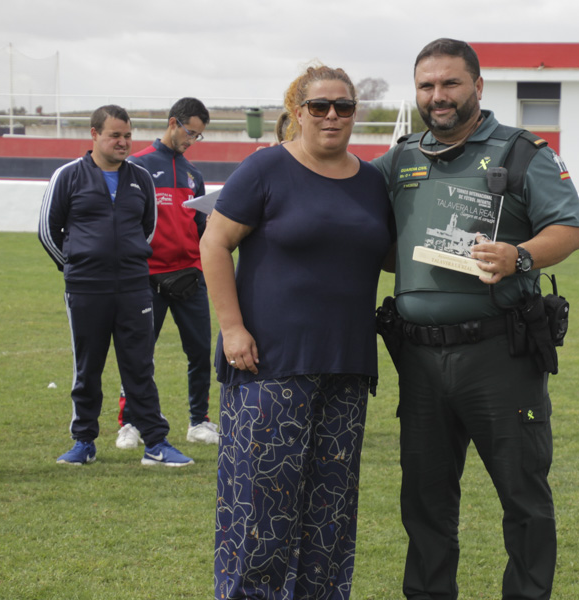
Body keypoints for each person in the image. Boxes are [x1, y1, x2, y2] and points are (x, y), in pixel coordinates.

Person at [372, 39, 579, 599]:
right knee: (423, 502)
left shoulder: (522, 152)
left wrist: (520, 255)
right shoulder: (400, 158)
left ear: (477, 86)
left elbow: (570, 229)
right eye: (426, 86)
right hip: (418, 359)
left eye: (450, 84)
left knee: (523, 498)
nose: (437, 97)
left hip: (499, 354)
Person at [201, 65, 391, 599]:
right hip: (269, 366)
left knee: (330, 515)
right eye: (320, 106)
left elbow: (394, 256)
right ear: (297, 111)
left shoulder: (372, 181)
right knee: (259, 511)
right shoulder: (264, 169)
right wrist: (232, 328)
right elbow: (214, 245)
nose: (333, 115)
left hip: (346, 367)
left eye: (344, 106)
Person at [38, 104, 193, 468]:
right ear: (94, 135)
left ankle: (155, 442)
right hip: (86, 288)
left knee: (140, 366)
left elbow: (148, 230)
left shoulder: (141, 179)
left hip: (134, 288)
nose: (123, 142)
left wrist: (129, 263)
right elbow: (48, 231)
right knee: (88, 367)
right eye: (115, 136)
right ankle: (84, 441)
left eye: (127, 136)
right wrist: (76, 266)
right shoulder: (68, 176)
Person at [113, 97, 218, 449]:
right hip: (146, 278)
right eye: (190, 132)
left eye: (198, 136)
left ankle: (199, 421)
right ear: (173, 123)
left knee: (201, 351)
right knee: (139, 354)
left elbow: (203, 228)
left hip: (189, 276)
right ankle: (131, 422)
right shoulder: (136, 167)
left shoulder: (193, 175)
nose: (192, 141)